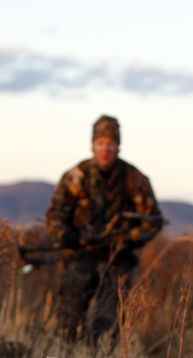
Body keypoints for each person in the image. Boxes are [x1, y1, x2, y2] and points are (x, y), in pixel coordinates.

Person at [45, 115, 164, 344]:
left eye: (110, 144)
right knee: (68, 322)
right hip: (79, 256)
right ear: (93, 146)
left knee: (107, 327)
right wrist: (65, 236)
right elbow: (54, 216)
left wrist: (130, 239)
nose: (105, 149)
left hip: (118, 259)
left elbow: (153, 221)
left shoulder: (133, 178)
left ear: (118, 146)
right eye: (101, 144)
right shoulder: (76, 176)